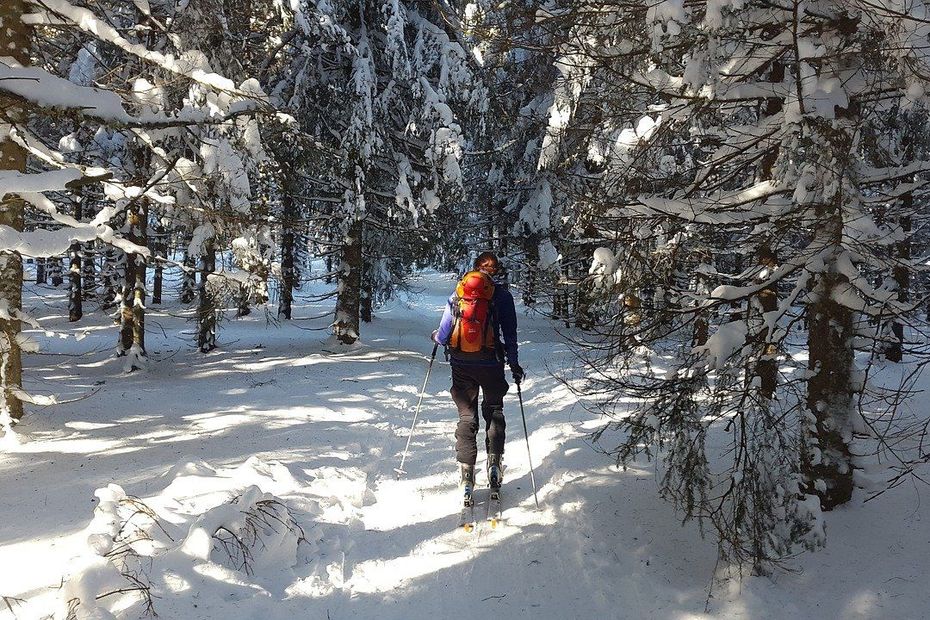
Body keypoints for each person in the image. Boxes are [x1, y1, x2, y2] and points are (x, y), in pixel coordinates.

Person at [432, 252, 524, 500]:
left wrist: (436, 338)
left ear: (474, 268)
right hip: (491, 362)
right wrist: (514, 364)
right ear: (496, 271)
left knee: (466, 416)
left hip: (462, 363)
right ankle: (494, 465)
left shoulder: (459, 292)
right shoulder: (501, 295)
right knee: (494, 410)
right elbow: (510, 334)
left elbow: (443, 332)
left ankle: (466, 475)